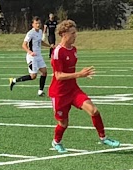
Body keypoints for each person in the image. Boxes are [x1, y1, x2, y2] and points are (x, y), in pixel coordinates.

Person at [49, 18, 120, 153]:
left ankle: (103, 138)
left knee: (94, 110)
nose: (75, 36)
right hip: (59, 93)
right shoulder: (58, 52)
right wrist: (80, 74)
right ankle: (56, 142)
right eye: (72, 33)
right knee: (63, 123)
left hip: (73, 90)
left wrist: (79, 75)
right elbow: (58, 76)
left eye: (75, 33)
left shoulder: (74, 50)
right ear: (63, 34)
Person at [10, 14, 49, 92]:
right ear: (33, 24)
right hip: (32, 57)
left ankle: (40, 91)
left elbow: (41, 42)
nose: (38, 25)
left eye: (39, 23)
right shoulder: (30, 33)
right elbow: (24, 45)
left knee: (44, 72)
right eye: (36, 23)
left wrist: (50, 46)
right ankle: (14, 80)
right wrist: (30, 52)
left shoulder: (40, 31)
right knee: (33, 76)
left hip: (39, 56)